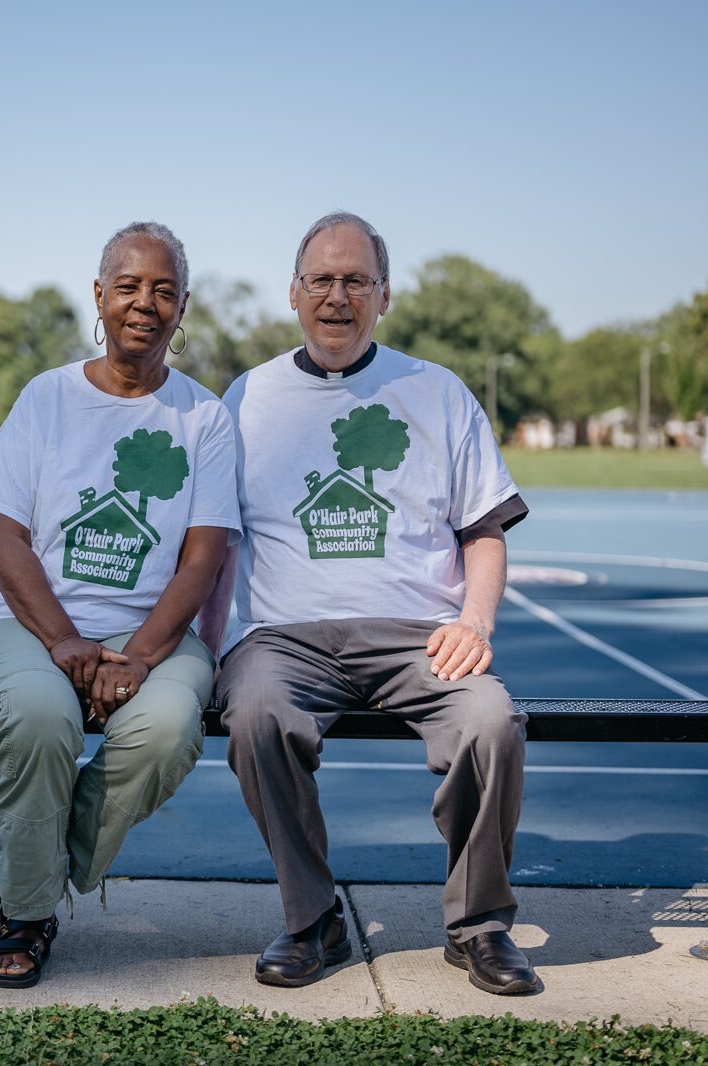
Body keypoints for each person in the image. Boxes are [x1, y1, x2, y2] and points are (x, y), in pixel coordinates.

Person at [198, 211, 539, 995]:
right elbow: (217, 544)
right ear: (293, 292)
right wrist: (204, 650)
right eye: (321, 278)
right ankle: (311, 918)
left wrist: (473, 621)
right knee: (253, 715)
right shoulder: (246, 397)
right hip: (282, 637)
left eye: (356, 280)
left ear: (384, 296)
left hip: (418, 636)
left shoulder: (437, 391)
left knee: (490, 721)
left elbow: (484, 532)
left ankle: (478, 925)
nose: (337, 295)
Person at [0, 221, 240, 989]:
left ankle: (12, 873)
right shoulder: (48, 398)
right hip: (18, 626)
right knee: (41, 712)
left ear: (183, 309)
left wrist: (138, 656)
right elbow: (2, 542)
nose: (146, 303)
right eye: (129, 286)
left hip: (150, 633)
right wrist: (66, 644)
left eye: (164, 290)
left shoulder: (204, 418)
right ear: (99, 297)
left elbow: (202, 559)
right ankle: (31, 915)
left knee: (170, 727)